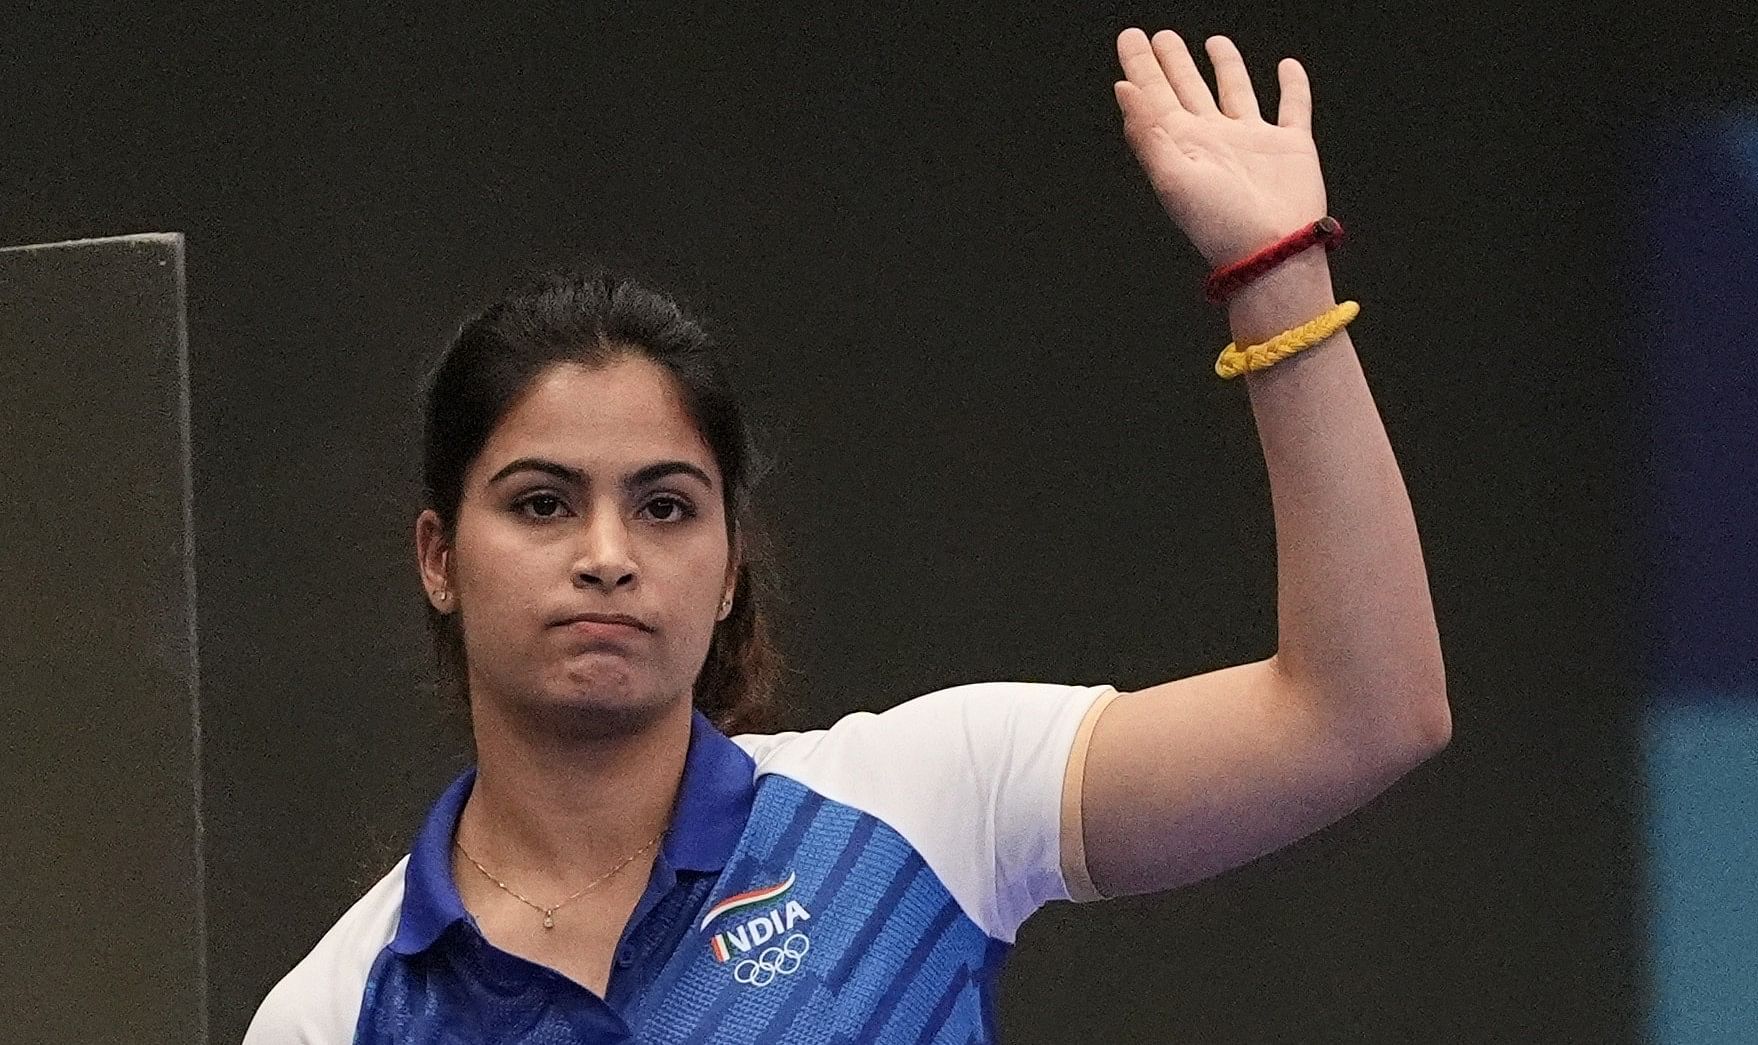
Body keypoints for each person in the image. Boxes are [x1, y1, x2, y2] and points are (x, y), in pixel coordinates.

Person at [243, 26, 1449, 1043]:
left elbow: (1360, 714)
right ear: (437, 556)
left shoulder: (926, 803)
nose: (606, 551)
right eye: (542, 501)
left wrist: (1276, 274)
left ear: (727, 571)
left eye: (666, 505)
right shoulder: (336, 1011)